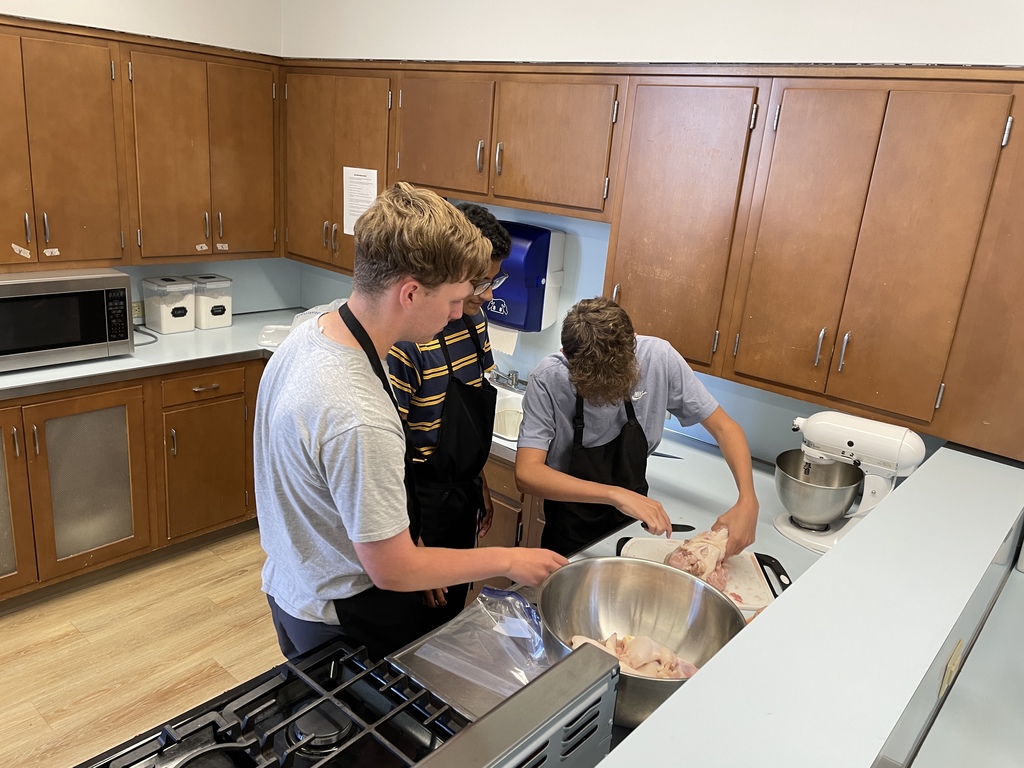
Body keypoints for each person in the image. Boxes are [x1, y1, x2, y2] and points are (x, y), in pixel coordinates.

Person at [255, 182, 566, 662]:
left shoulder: (309, 337)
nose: (460, 312)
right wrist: (511, 559)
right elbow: (393, 569)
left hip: (294, 589)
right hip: (342, 621)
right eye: (454, 299)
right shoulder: (358, 413)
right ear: (411, 292)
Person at [515, 296, 759, 558]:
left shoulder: (659, 358)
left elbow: (725, 428)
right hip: (570, 529)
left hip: (633, 525)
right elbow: (527, 473)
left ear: (633, 343)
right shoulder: (548, 379)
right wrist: (614, 494)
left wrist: (748, 500)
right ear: (566, 357)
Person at [387, 203, 512, 630]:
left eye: (493, 280)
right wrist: (411, 544)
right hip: (417, 505)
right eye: (480, 282)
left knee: (452, 618)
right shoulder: (408, 340)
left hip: (460, 498)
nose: (488, 294)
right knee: (414, 628)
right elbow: (391, 454)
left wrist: (480, 482)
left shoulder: (475, 323)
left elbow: (469, 413)